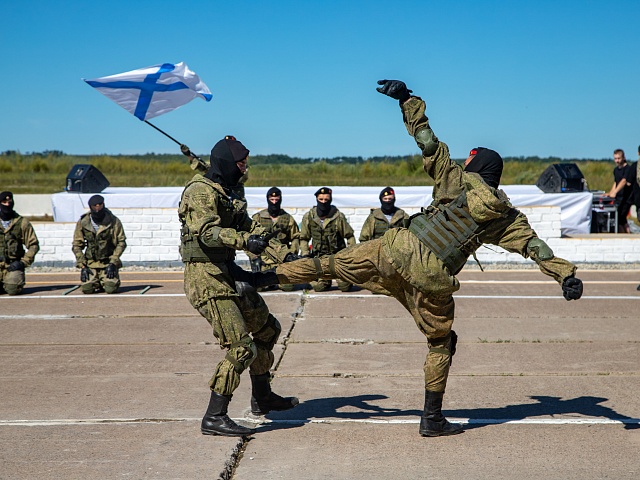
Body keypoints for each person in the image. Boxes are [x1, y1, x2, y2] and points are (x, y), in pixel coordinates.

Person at [255, 80, 584, 437]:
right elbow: (535, 247)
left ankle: (259, 279)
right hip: (431, 277)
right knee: (441, 342)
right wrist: (565, 275)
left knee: (329, 264)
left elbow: (426, 139)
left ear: (477, 166)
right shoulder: (505, 216)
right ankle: (432, 418)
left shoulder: (455, 178)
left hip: (397, 248)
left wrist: (407, 100)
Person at [179, 135, 298, 437]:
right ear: (225, 163)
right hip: (206, 277)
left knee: (268, 330)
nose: (245, 168)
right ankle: (215, 416)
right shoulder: (200, 192)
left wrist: (286, 258)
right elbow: (207, 233)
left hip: (228, 269)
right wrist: (245, 242)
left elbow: (249, 226)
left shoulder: (230, 190)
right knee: (241, 346)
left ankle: (262, 397)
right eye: (240, 163)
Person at [299, 187, 356, 292]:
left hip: (337, 257)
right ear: (316, 199)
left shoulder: (338, 216)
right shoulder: (309, 217)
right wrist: (305, 254)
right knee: (318, 287)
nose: (323, 202)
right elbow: (303, 238)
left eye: (326, 200)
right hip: (319, 258)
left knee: (345, 287)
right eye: (321, 199)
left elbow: (349, 236)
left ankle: (342, 276)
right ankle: (320, 277)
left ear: (330, 200)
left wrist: (350, 255)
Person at [72, 195, 127, 294]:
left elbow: (121, 242)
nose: (97, 208)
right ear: (90, 207)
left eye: (100, 205)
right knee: (87, 289)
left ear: (103, 205)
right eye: (94, 206)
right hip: (91, 262)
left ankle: (105, 281)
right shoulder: (83, 222)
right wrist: (83, 265)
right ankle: (96, 281)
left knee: (111, 288)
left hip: (108, 262)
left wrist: (113, 262)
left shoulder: (113, 221)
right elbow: (77, 245)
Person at [250, 187, 300, 291]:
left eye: (276, 200)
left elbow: (295, 237)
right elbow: (248, 238)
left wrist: (290, 254)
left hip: (281, 261)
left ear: (280, 200)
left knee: (287, 287)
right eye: (271, 200)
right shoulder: (258, 218)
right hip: (263, 260)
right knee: (259, 288)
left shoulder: (287, 218)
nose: (274, 202)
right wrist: (253, 256)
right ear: (267, 199)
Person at [0, 191, 40, 295]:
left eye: (9, 202)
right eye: (4, 202)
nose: (7, 205)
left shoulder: (22, 222)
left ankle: (9, 283)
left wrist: (23, 263)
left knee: (13, 289)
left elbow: (33, 245)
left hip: (13, 265)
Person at [604, 149, 634, 233]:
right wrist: (610, 193)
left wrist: (615, 192)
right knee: (621, 219)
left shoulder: (628, 169)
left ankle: (625, 236)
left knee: (620, 218)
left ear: (623, 157)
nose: (617, 161)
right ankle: (626, 236)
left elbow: (623, 181)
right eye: (615, 158)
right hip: (619, 198)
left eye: (619, 158)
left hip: (626, 198)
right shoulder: (616, 170)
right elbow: (616, 182)